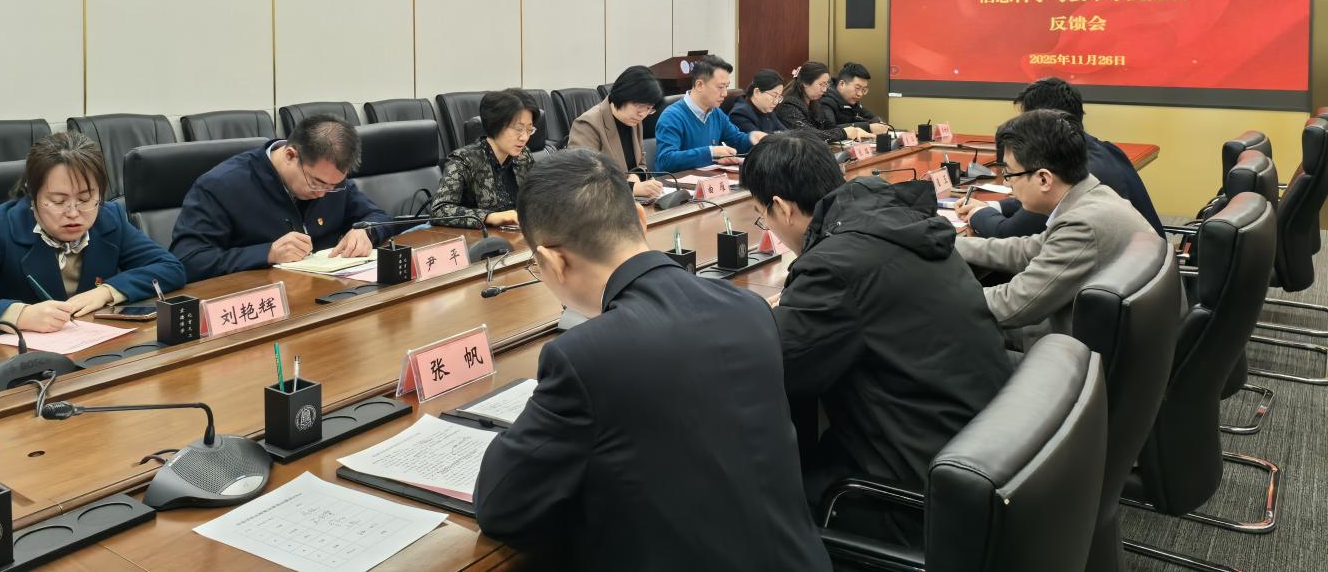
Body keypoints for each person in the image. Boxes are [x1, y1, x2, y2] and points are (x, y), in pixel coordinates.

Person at [474, 150, 831, 572]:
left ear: (552, 260)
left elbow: (501, 505)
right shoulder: (748, 307)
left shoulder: (585, 357)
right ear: (642, 221)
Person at [740, 131, 1012, 538]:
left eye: (764, 217)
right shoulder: (899, 222)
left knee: (753, 503)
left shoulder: (835, 266)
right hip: (977, 449)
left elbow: (772, 367)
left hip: (916, 489)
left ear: (782, 207)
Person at [954, 108, 1153, 345]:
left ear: (1044, 179)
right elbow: (1027, 249)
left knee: (946, 341)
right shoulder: (1093, 194)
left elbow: (1013, 305)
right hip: (1102, 335)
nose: (1008, 183)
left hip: (1077, 354)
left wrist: (935, 296)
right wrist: (951, 242)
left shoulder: (1083, 225)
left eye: (1010, 174)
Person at [0, 132, 186, 331]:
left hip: (95, 349)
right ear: (32, 195)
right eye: (58, 201)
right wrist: (18, 316)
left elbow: (169, 267)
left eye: (85, 199)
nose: (73, 213)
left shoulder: (108, 219)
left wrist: (107, 292)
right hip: (21, 357)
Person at [171, 115, 390, 281]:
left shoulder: (330, 180)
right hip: (259, 301)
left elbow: (379, 217)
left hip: (328, 293)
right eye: (316, 183)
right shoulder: (221, 185)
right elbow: (187, 260)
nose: (323, 193)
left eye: (334, 186)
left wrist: (366, 231)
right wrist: (267, 253)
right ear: (290, 155)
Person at [955, 77, 1162, 236]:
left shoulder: (1074, 169)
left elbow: (1009, 232)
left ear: (1044, 120)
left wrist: (978, 215)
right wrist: (994, 206)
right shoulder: (1099, 149)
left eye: (1027, 120)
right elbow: (1042, 201)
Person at [429, 89, 538, 229]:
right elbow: (439, 210)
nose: (524, 137)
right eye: (518, 129)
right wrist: (490, 217)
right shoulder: (463, 160)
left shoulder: (523, 156)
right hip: (478, 238)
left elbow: (536, 197)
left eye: (529, 130)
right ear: (496, 124)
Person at [567, 66, 665, 201]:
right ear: (623, 94)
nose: (642, 114)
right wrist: (632, 188)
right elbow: (583, 181)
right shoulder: (588, 124)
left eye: (649, 108)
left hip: (631, 203)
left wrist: (636, 176)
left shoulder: (634, 121)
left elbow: (641, 164)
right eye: (639, 105)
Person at [653, 54, 763, 172]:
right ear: (700, 85)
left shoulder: (716, 113)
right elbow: (665, 160)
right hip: (678, 182)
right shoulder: (672, 116)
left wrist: (752, 138)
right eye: (720, 87)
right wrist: (710, 153)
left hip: (709, 179)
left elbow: (736, 140)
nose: (725, 93)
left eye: (726, 87)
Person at [775, 61, 873, 143]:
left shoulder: (815, 103)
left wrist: (856, 129)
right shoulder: (788, 105)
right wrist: (844, 133)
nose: (825, 90)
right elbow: (809, 135)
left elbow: (828, 128)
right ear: (805, 83)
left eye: (826, 84)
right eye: (821, 84)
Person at [814, 62, 889, 136]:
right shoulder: (825, 101)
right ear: (842, 84)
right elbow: (829, 130)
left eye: (864, 90)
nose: (860, 94)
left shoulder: (853, 102)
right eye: (857, 88)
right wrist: (868, 127)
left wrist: (878, 123)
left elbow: (873, 117)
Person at [729, 69, 788, 135]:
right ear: (756, 92)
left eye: (779, 96)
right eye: (774, 95)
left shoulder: (767, 110)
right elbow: (760, 140)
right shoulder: (740, 114)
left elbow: (786, 133)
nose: (776, 102)